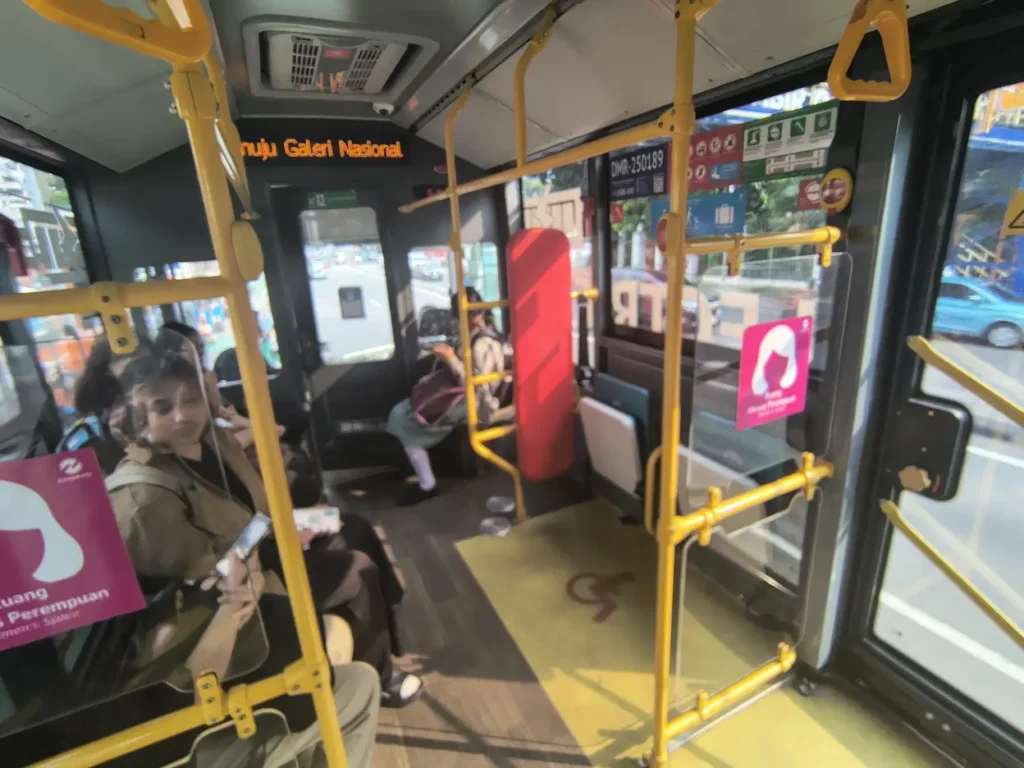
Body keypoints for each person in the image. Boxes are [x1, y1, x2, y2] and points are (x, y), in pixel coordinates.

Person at [104, 349, 422, 707]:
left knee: (355, 527)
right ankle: (381, 677)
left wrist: (290, 526)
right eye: (162, 408)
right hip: (235, 597)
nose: (182, 416)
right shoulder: (143, 494)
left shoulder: (210, 443)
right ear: (139, 417)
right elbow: (207, 579)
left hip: (260, 545)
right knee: (356, 571)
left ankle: (388, 633)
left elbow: (253, 510)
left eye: (191, 400)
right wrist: (280, 544)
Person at [386, 286, 506, 506]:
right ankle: (416, 464)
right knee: (403, 409)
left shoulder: (484, 344)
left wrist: (451, 358)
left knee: (402, 418)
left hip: (470, 402)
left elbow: (479, 387)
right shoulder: (470, 334)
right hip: (457, 392)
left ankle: (427, 484)